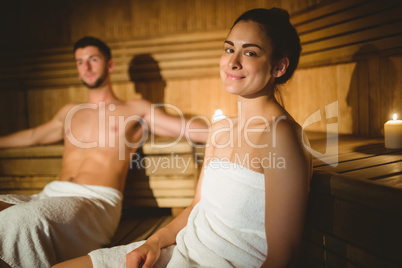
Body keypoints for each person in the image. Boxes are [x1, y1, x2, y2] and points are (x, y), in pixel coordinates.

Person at [55, 7, 312, 268]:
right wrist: (152, 243)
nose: (233, 61)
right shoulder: (221, 130)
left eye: (250, 52)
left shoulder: (280, 135)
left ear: (279, 66)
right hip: (184, 247)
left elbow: (283, 257)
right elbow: (195, 208)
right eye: (228, 49)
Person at [0, 37, 208, 268]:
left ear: (109, 65)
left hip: (95, 200)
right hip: (49, 195)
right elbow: (32, 136)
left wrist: (233, 130)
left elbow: (187, 128)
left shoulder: (135, 110)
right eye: (80, 62)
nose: (86, 67)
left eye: (93, 59)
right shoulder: (69, 112)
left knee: (22, 220)